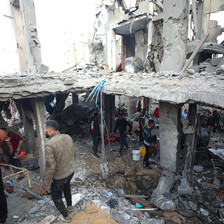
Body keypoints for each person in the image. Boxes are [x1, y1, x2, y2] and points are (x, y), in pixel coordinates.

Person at [42, 120, 76, 223]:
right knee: (67, 187)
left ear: (49, 130)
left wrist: (46, 183)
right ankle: (70, 206)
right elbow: (74, 154)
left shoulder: (50, 145)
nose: (44, 131)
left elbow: (50, 167)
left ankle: (66, 217)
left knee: (56, 197)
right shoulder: (67, 137)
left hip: (60, 177)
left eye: (44, 129)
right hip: (70, 171)